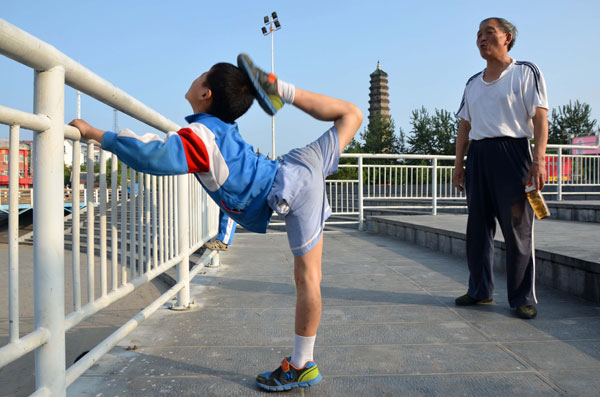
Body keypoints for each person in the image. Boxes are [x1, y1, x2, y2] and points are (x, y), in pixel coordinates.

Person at [70, 53, 363, 391]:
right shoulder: (218, 129)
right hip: (298, 167)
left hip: (290, 185)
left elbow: (154, 154)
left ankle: (302, 366)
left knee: (308, 279)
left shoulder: (202, 136)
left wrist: (97, 134)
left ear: (206, 94)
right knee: (351, 115)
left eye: (203, 75)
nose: (196, 78)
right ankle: (281, 90)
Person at [452, 18, 548, 320]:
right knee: (477, 227)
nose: (481, 39)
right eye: (478, 34)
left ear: (507, 37)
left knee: (517, 228)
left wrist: (538, 160)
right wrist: (459, 165)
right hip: (479, 155)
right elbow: (464, 126)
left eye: (488, 33)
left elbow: (540, 118)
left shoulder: (525, 72)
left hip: (514, 152)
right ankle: (480, 291)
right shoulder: (472, 82)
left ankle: (522, 297)